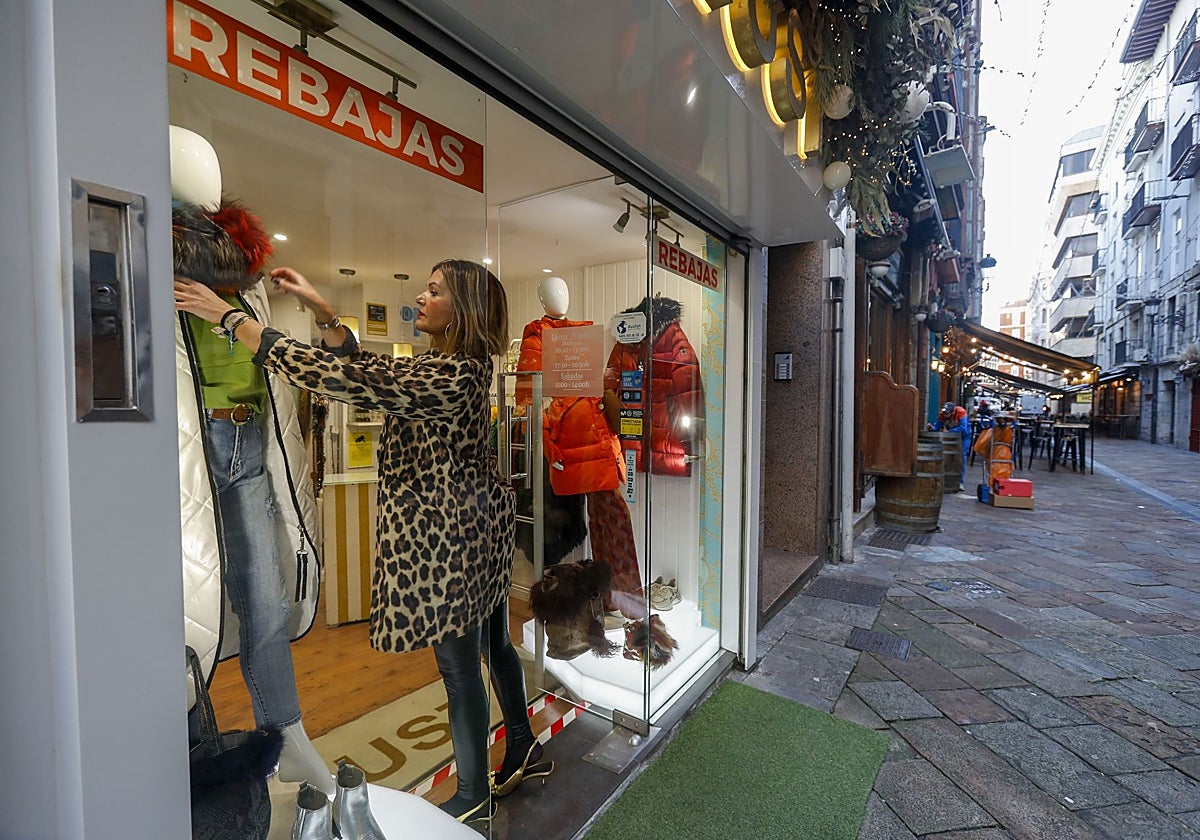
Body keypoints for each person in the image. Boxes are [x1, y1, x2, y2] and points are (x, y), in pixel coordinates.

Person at [174, 261, 547, 826]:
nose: (422, 297)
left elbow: (353, 381)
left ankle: (474, 794)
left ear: (462, 310)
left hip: (452, 543)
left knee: (461, 668)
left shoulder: (452, 375)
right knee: (493, 647)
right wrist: (327, 316)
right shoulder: (453, 367)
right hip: (479, 531)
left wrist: (231, 319)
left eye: (435, 291)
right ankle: (525, 748)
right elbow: (373, 372)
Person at [931, 401, 970, 491]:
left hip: (964, 437)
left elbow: (964, 428)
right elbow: (937, 426)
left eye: (947, 413)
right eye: (944, 413)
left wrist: (950, 432)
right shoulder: (942, 414)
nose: (945, 415)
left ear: (952, 412)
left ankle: (960, 482)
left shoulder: (961, 412)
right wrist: (932, 427)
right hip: (951, 438)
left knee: (962, 457)